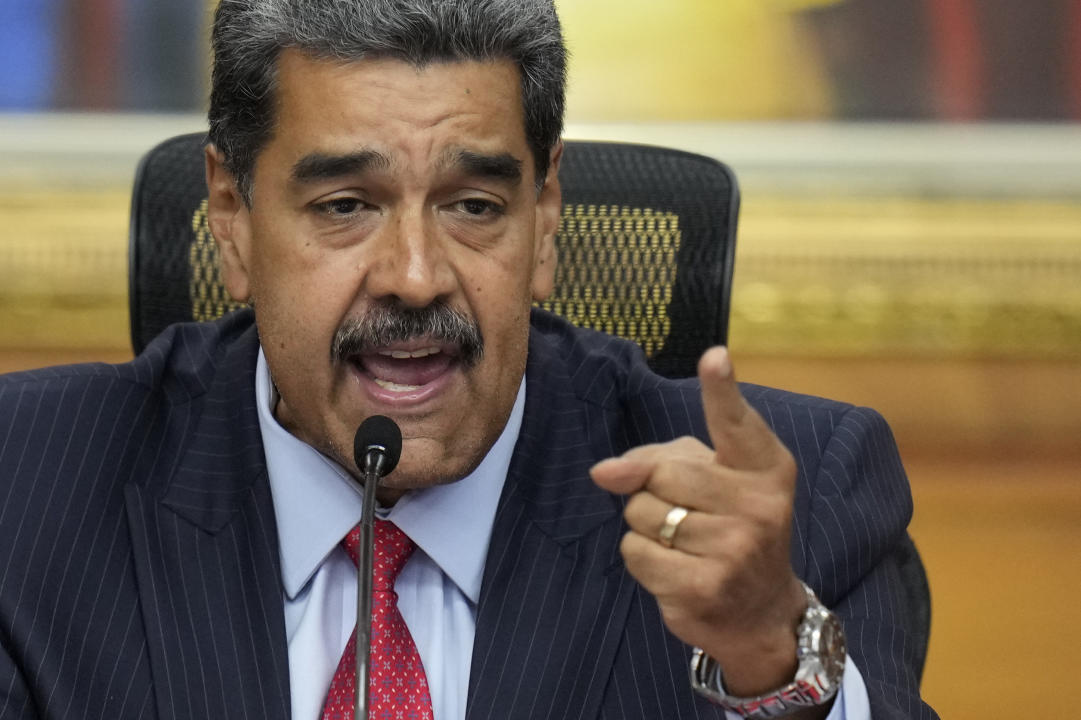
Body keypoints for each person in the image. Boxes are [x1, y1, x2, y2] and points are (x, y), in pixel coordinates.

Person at [0, 1, 937, 719]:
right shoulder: (26, 488)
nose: (415, 278)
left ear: (545, 219)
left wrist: (769, 659)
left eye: (473, 206)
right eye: (344, 206)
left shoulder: (798, 510)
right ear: (231, 218)